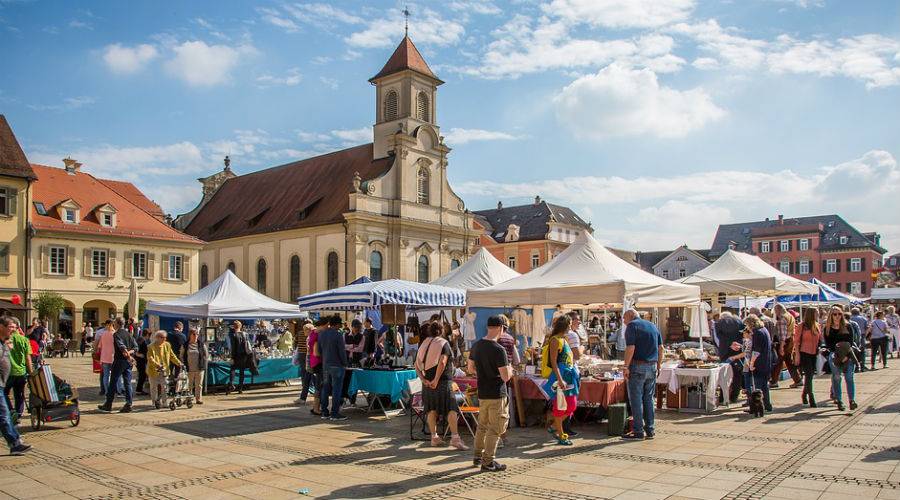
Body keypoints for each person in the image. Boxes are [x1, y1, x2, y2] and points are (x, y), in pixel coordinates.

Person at [468, 315, 512, 472]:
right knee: (495, 428)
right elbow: (505, 376)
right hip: (496, 393)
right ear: (501, 328)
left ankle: (477, 456)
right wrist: (511, 370)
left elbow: (470, 369)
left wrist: (483, 372)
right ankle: (488, 461)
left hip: (482, 392)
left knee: (481, 426)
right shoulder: (499, 349)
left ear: (488, 327)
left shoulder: (476, 345)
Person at [415, 322, 467, 450]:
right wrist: (436, 379)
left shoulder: (424, 343)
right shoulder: (443, 343)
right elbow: (442, 362)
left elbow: (416, 365)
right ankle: (455, 438)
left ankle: (434, 437)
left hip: (427, 381)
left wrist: (423, 379)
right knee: (451, 408)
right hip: (442, 381)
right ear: (442, 331)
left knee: (431, 409)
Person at [623, 309, 663, 439]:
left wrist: (625, 366)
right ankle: (650, 429)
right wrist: (659, 365)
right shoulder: (652, 325)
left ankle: (638, 431)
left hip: (638, 366)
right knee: (648, 399)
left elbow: (631, 347)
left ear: (630, 316)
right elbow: (661, 348)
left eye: (624, 318)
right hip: (652, 366)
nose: (623, 321)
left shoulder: (632, 326)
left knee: (636, 399)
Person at [542, 315, 579, 446]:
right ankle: (561, 435)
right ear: (564, 325)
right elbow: (553, 362)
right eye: (569, 324)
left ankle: (554, 426)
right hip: (561, 379)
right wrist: (559, 379)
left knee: (572, 405)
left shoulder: (564, 339)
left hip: (569, 378)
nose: (571, 326)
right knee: (560, 407)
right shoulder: (555, 340)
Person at [0, 316, 31, 454]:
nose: (13, 330)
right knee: (4, 414)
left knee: (4, 414)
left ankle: (15, 443)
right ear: (1, 327)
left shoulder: (5, 342)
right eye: (10, 327)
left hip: (3, 382)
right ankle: (15, 443)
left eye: (14, 327)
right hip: (4, 381)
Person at [98, 318, 138, 413]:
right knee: (127, 382)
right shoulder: (128, 334)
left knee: (113, 382)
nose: (114, 324)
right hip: (127, 363)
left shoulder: (117, 334)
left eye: (114, 323)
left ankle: (108, 404)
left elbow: (122, 347)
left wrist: (127, 355)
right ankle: (129, 403)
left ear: (117, 324)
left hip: (120, 360)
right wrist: (129, 354)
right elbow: (135, 347)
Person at [825, 306, 857, 411]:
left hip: (848, 354)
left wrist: (846, 356)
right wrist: (838, 355)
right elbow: (829, 345)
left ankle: (852, 400)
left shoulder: (848, 326)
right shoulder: (827, 328)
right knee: (837, 377)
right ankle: (839, 400)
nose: (837, 316)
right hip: (835, 355)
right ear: (831, 316)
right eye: (835, 314)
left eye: (839, 314)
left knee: (849, 377)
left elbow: (851, 342)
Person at [319, 315, 349, 420]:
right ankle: (335, 413)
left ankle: (324, 412)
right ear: (337, 325)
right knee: (337, 389)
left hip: (326, 365)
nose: (340, 326)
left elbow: (319, 350)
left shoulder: (322, 334)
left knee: (325, 388)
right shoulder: (338, 335)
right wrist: (345, 363)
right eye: (340, 324)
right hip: (337, 365)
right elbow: (341, 352)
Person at [793, 308, 823, 408]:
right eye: (816, 313)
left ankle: (804, 394)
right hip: (804, 353)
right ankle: (811, 397)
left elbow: (820, 340)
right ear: (811, 314)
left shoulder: (817, 325)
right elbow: (796, 342)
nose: (818, 315)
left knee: (810, 377)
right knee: (809, 375)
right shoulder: (802, 326)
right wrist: (797, 355)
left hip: (814, 354)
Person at [745, 314, 773, 414]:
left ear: (750, 324)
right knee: (764, 386)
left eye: (747, 325)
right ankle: (768, 405)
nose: (747, 328)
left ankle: (756, 408)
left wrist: (751, 363)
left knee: (757, 388)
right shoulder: (764, 330)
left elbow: (756, 351)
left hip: (759, 363)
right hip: (766, 362)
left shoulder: (757, 333)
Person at [3, 321, 31, 419]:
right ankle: (18, 415)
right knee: (19, 394)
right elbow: (28, 358)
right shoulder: (24, 339)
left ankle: (11, 410)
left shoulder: (5, 340)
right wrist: (30, 372)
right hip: (21, 372)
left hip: (8, 373)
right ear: (19, 328)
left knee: (3, 393)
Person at [146, 330, 181, 409]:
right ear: (157, 338)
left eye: (165, 338)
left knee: (165, 387)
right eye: (162, 337)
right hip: (153, 370)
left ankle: (165, 402)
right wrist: (157, 364)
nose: (164, 339)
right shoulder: (150, 346)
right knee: (153, 387)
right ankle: (154, 402)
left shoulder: (167, 345)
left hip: (164, 370)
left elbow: (172, 355)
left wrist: (179, 363)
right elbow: (150, 358)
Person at [716, 312, 744, 403]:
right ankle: (734, 396)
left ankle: (722, 397)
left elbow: (718, 338)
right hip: (738, 350)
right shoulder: (739, 321)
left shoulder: (719, 323)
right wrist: (737, 344)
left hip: (725, 351)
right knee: (737, 374)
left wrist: (729, 344)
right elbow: (743, 335)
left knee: (723, 374)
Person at [771, 304, 800, 388]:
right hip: (790, 339)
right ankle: (797, 380)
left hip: (784, 342)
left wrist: (781, 347)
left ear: (778, 310)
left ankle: (774, 381)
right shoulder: (790, 316)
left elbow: (782, 335)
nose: (775, 313)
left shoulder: (782, 318)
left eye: (775, 311)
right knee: (788, 361)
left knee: (779, 361)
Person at [94, 319, 123, 397]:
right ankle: (119, 390)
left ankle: (107, 391)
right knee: (117, 375)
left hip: (104, 357)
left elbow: (99, 346)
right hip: (114, 357)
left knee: (105, 376)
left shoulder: (103, 334)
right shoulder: (115, 334)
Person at [227, 321, 257, 394]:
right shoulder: (245, 334)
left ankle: (231, 384)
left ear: (234, 327)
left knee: (232, 369)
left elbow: (233, 347)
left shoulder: (233, 335)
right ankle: (240, 388)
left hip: (236, 355)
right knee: (241, 371)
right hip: (244, 355)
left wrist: (232, 357)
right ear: (240, 326)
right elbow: (249, 344)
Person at [180, 327, 208, 405]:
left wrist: (203, 362)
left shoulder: (201, 344)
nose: (196, 336)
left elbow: (206, 355)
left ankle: (198, 399)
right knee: (189, 385)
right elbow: (181, 356)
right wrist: (183, 364)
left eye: (197, 334)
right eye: (194, 334)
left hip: (199, 368)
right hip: (189, 368)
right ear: (190, 335)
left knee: (199, 385)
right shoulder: (185, 345)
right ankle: (188, 399)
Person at [307, 318, 325, 415]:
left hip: (314, 363)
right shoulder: (317, 336)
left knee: (318, 385)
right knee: (319, 386)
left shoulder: (313, 334)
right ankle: (316, 408)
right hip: (318, 362)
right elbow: (316, 352)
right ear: (321, 326)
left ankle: (315, 407)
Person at [293, 322, 312, 404]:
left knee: (305, 374)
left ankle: (304, 393)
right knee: (306, 375)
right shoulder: (309, 334)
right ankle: (305, 394)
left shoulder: (300, 333)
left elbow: (295, 342)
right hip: (307, 355)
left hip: (303, 355)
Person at [849, 308, 868, 373]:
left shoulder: (850, 319)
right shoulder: (863, 319)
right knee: (862, 352)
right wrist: (865, 335)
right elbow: (867, 328)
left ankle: (855, 367)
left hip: (851, 337)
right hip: (862, 336)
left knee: (853, 352)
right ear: (859, 312)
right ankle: (862, 367)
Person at [134, 330, 151, 395]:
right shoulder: (142, 340)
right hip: (141, 361)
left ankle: (139, 390)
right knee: (142, 375)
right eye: (149, 335)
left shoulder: (140, 339)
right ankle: (138, 390)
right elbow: (136, 349)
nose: (149, 337)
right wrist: (138, 354)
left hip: (141, 360)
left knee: (142, 375)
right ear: (147, 335)